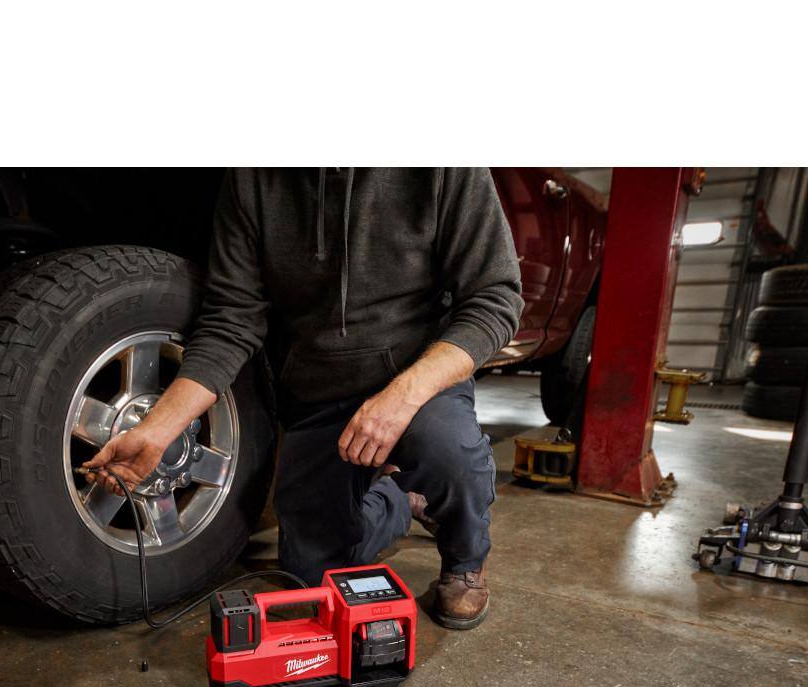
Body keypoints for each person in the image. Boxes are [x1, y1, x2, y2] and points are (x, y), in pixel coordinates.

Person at [85, 168, 523, 630]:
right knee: (312, 576)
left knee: (448, 451)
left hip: (417, 382)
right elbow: (231, 322)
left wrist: (401, 397)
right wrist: (156, 431)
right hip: (318, 391)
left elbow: (495, 298)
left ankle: (465, 560)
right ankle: (399, 499)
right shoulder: (255, 176)